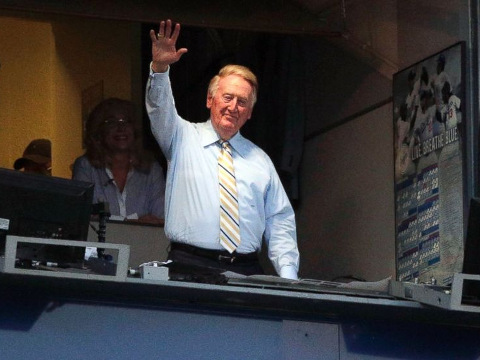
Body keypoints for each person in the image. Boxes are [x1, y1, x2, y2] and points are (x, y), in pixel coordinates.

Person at [145, 19, 299, 280]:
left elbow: (279, 220)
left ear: (249, 113)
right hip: (189, 266)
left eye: (242, 102)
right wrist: (160, 69)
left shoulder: (260, 160)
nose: (233, 107)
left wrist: (289, 277)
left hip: (247, 271)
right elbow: (160, 109)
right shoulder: (181, 136)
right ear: (210, 100)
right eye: (227, 97)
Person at [72, 97, 166, 225]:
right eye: (111, 122)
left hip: (145, 244)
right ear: (99, 131)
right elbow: (84, 220)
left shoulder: (151, 170)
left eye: (126, 121)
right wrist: (137, 223)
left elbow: (160, 221)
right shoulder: (86, 167)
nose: (121, 128)